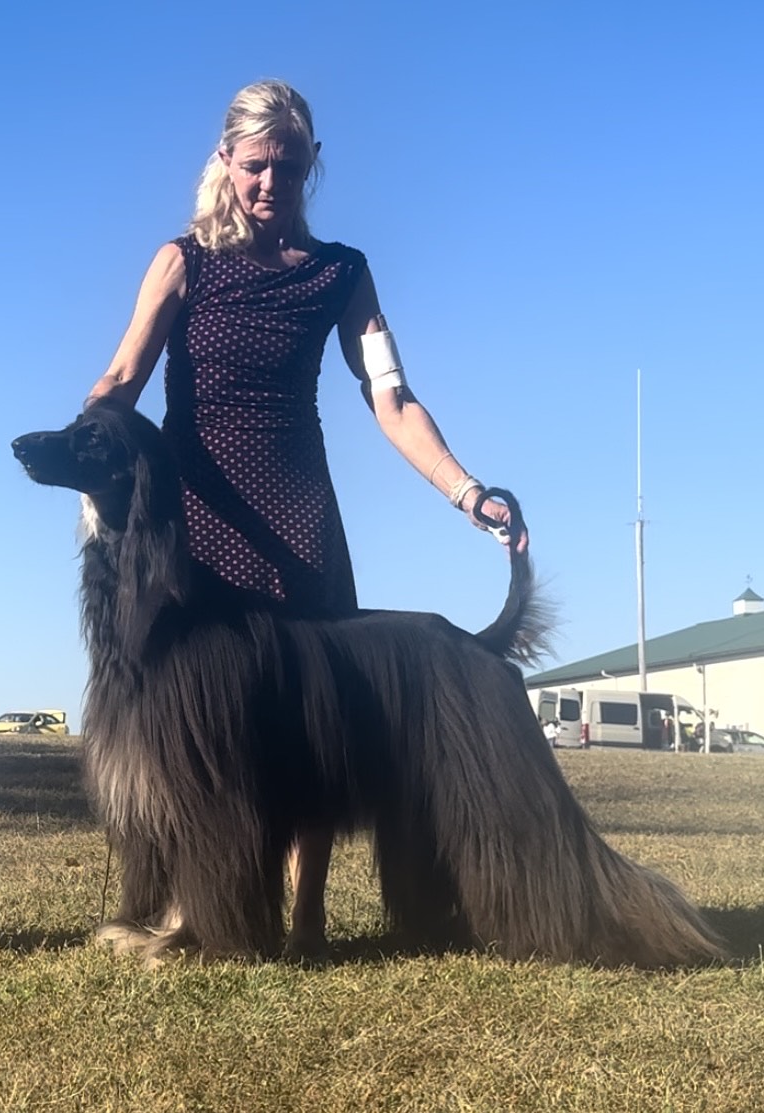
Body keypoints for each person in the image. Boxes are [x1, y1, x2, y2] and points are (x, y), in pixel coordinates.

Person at [84, 79, 525, 958]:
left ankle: (306, 922)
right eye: (255, 165)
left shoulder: (340, 273)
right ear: (224, 160)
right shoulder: (181, 262)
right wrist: (85, 453)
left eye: (288, 168)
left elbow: (391, 398)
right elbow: (122, 376)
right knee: (200, 731)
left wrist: (466, 491)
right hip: (196, 528)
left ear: (311, 165)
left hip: (299, 520)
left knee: (314, 721)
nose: (269, 184)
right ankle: (190, 914)